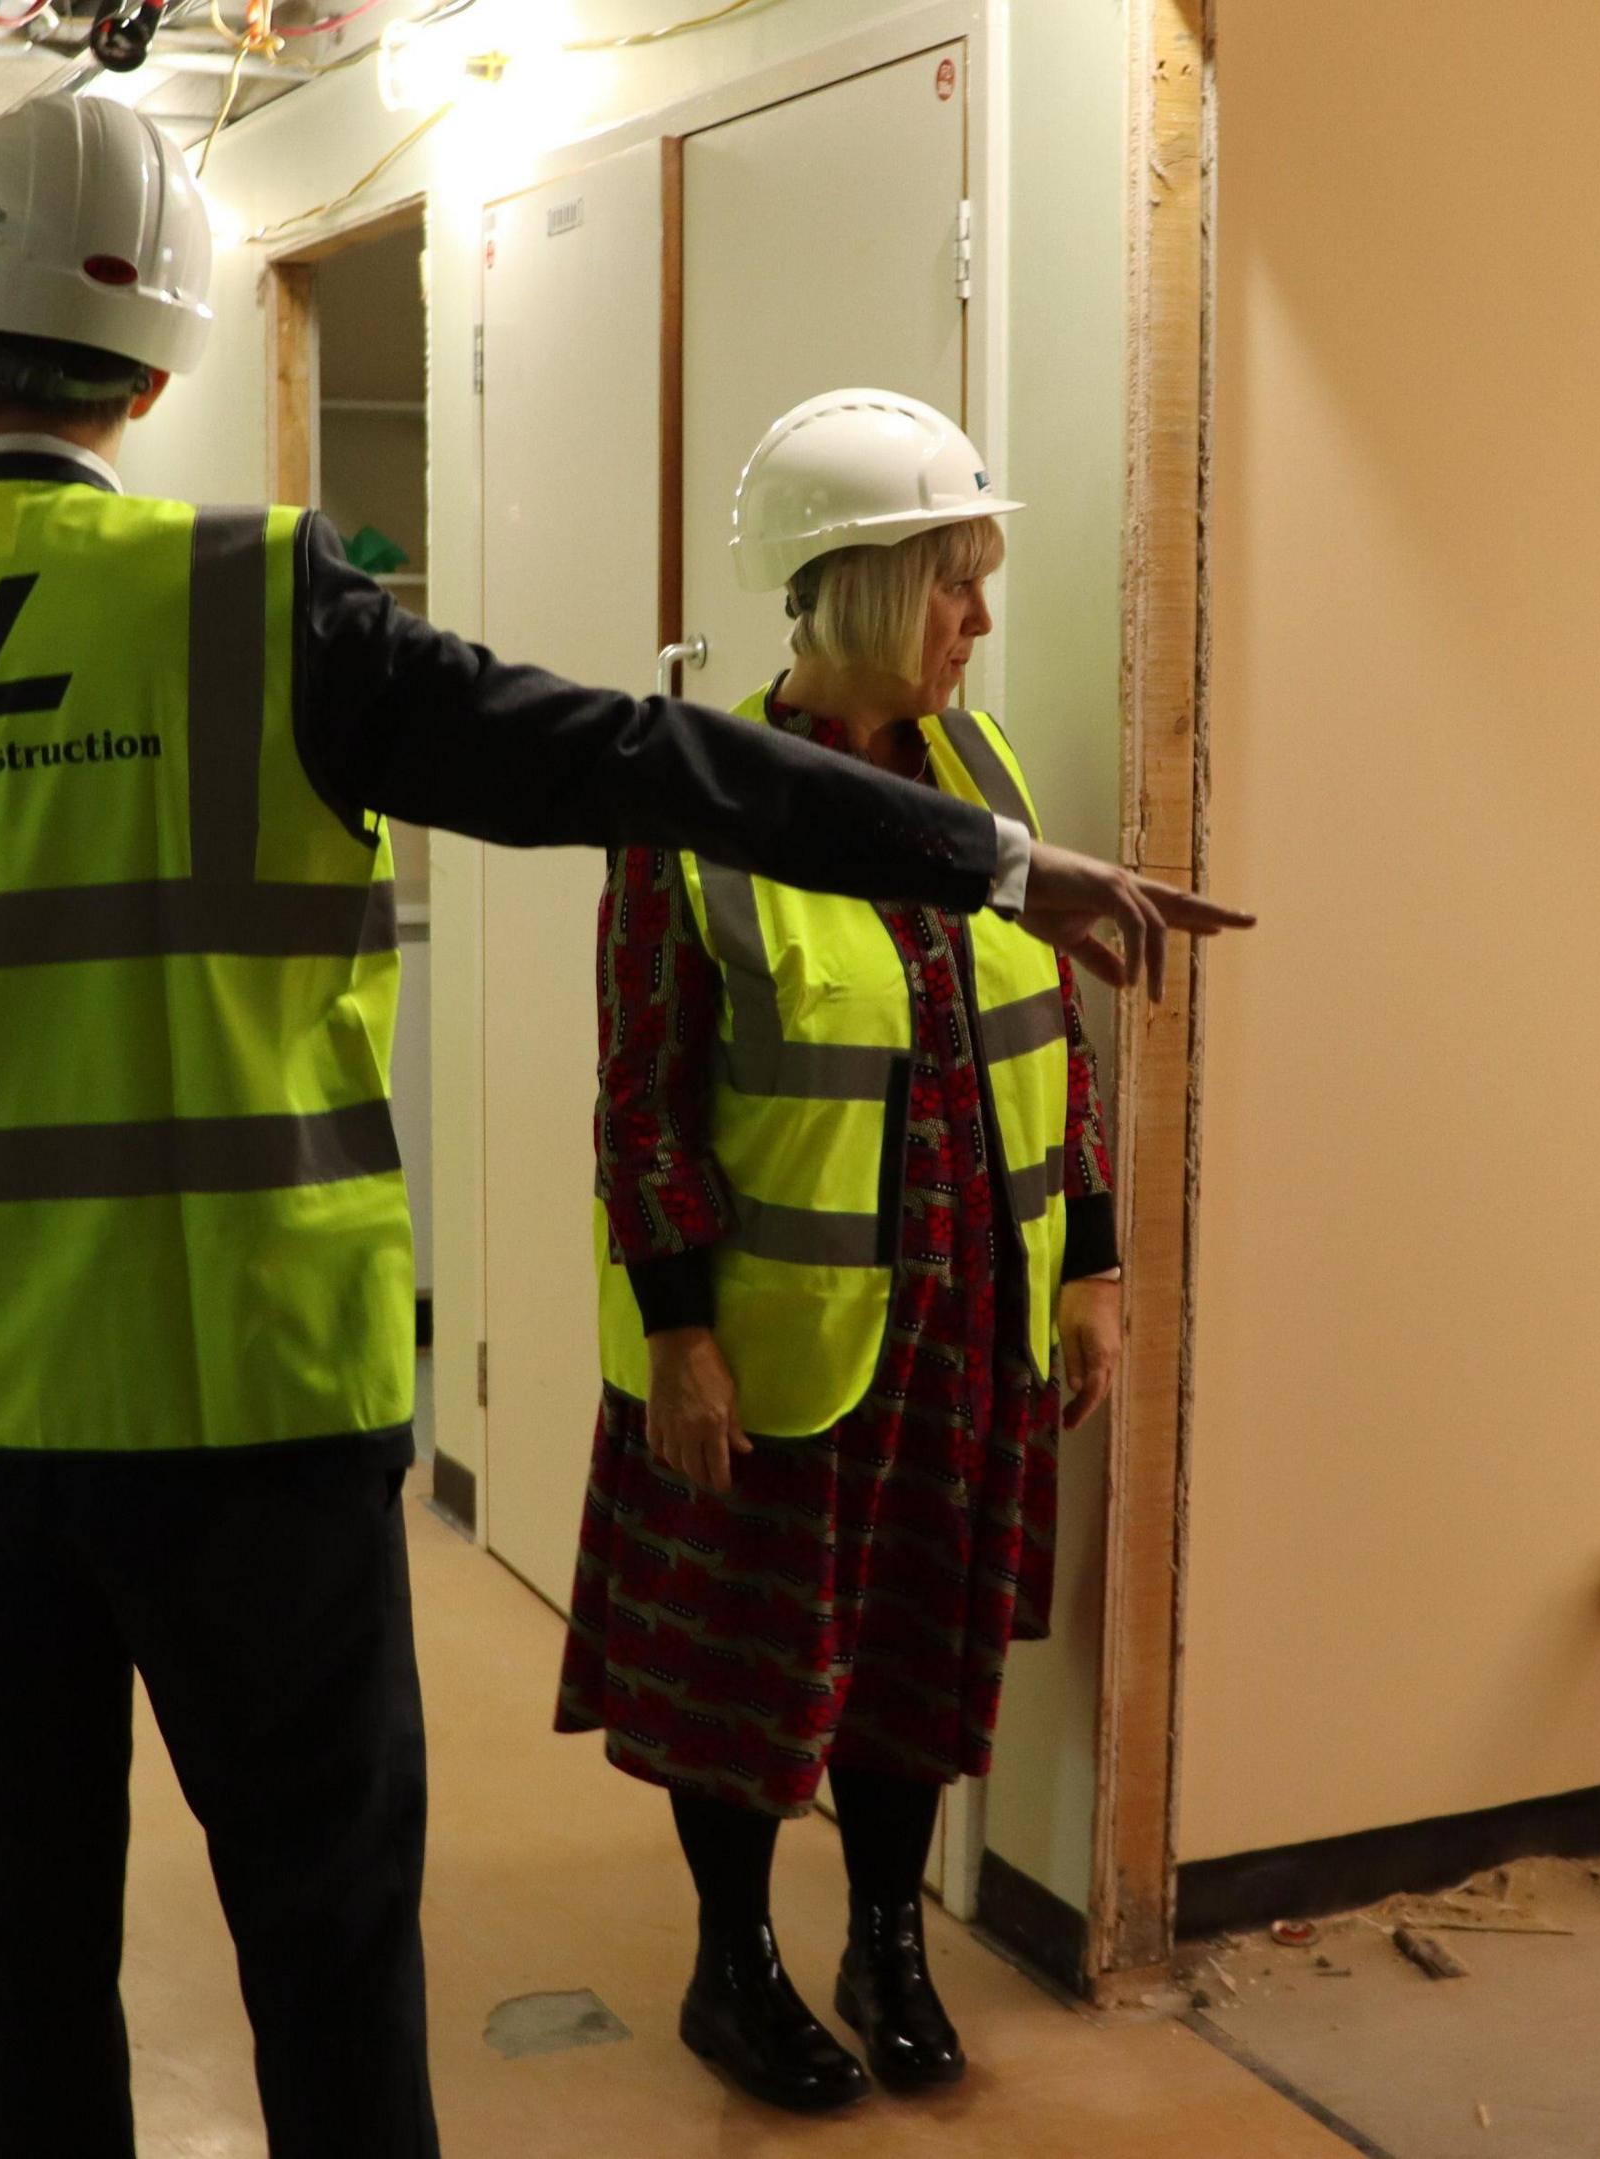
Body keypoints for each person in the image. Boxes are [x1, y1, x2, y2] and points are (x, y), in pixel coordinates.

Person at [0, 94, 1248, 2159]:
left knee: (30, 1937)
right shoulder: (263, 603)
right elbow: (643, 761)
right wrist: (986, 856)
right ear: (160, 370)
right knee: (325, 1942)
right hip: (260, 1424)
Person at [553, 388, 1116, 2113]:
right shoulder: (696, 806)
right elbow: (641, 1098)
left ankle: (888, 1931)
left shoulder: (988, 773)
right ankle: (734, 1962)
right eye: (959, 583)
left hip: (965, 1322)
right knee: (745, 1672)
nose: (983, 622)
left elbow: (1056, 1038)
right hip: (780, 1338)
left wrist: (1089, 1261)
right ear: (865, 588)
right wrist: (679, 1334)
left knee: (915, 1656)